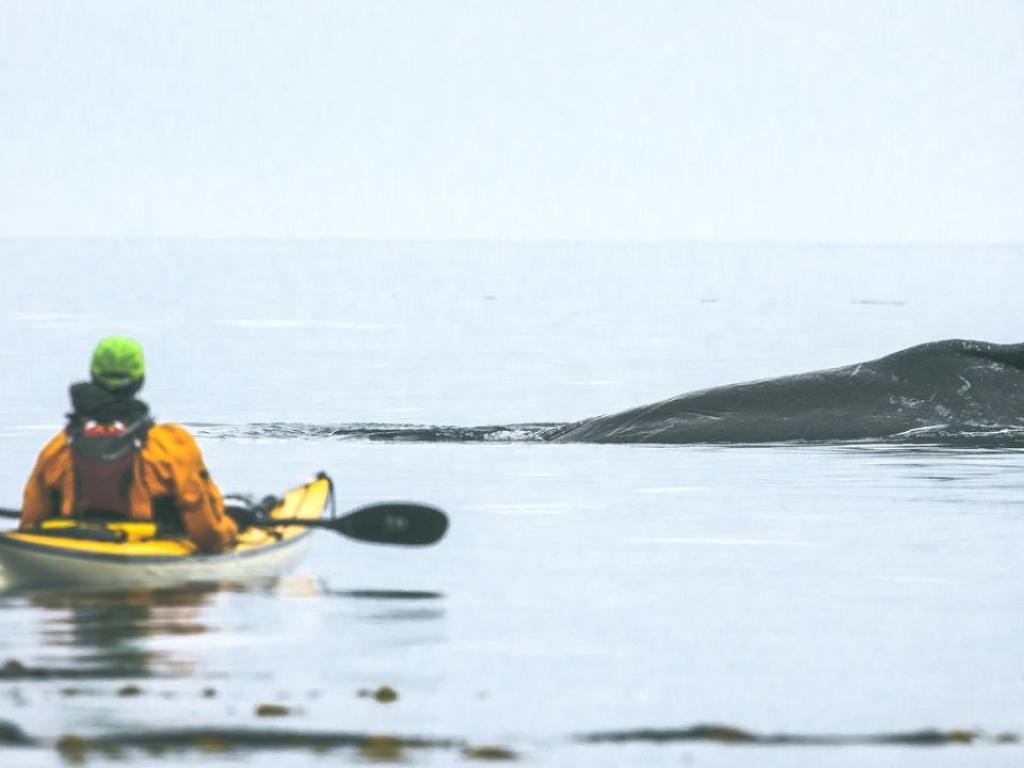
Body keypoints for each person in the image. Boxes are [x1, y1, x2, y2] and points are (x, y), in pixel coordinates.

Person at [20, 336, 238, 552]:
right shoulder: (170, 445)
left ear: (94, 376)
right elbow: (208, 534)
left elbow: (30, 523)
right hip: (147, 546)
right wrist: (232, 530)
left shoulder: (58, 448)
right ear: (139, 381)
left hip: (71, 546)